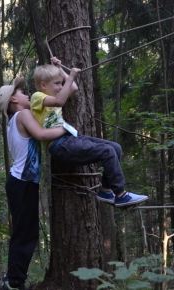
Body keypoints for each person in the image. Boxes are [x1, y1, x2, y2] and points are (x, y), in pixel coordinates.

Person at [30, 57, 148, 207]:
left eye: (61, 83)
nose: (61, 87)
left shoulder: (54, 94)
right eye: (57, 84)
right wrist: (70, 76)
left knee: (115, 148)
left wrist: (60, 70)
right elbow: (60, 100)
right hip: (60, 146)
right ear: (43, 85)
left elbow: (73, 88)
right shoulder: (37, 97)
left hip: (71, 139)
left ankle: (106, 190)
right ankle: (120, 194)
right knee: (107, 151)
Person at [0, 76, 67, 290]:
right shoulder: (23, 114)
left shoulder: (14, 121)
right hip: (22, 182)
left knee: (24, 232)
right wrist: (67, 129)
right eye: (20, 92)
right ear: (14, 101)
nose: (26, 94)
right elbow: (42, 134)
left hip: (20, 182)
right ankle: (14, 283)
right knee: (26, 234)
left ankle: (13, 279)